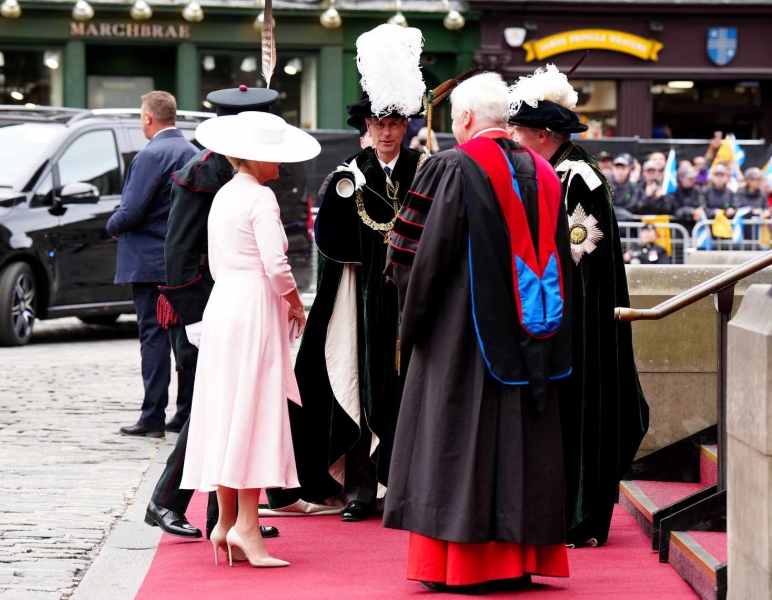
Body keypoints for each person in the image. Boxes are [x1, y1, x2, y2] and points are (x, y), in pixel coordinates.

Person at [384, 72, 572, 595]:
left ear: (463, 119)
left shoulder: (449, 166)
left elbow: (415, 257)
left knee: (458, 440)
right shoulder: (543, 170)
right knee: (517, 445)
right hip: (531, 339)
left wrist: (409, 318)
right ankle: (517, 561)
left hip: (460, 341)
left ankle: (461, 566)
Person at [264, 23, 426, 522]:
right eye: (378, 123)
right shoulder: (347, 175)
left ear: (405, 126)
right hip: (359, 302)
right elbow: (329, 238)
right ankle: (359, 487)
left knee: (409, 388)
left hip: (409, 299)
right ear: (368, 126)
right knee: (357, 385)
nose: (386, 131)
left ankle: (406, 485)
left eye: (394, 123)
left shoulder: (426, 169)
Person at [507, 64, 649, 548]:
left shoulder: (578, 178)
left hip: (580, 323)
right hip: (559, 317)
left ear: (544, 134)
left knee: (578, 417)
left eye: (520, 132)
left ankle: (579, 516)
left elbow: (578, 257)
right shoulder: (557, 170)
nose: (515, 140)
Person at [179, 111, 321, 568]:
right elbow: (277, 267)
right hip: (254, 307)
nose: (281, 165)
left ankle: (227, 522)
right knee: (255, 412)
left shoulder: (223, 195)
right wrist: (297, 304)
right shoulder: (260, 199)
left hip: (225, 305)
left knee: (229, 411)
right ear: (258, 158)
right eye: (274, 157)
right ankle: (242, 526)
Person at [145, 86, 281, 541]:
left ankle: (230, 518)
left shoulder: (242, 172)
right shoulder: (198, 174)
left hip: (236, 310)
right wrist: (194, 317)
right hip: (202, 308)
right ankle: (166, 501)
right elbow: (178, 250)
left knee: (237, 411)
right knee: (209, 413)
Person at [107, 91, 198, 438]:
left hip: (148, 262)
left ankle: (152, 417)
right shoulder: (192, 153)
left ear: (148, 118)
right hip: (183, 263)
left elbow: (130, 211)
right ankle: (185, 415)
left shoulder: (151, 155)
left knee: (153, 338)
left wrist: (111, 226)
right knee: (187, 339)